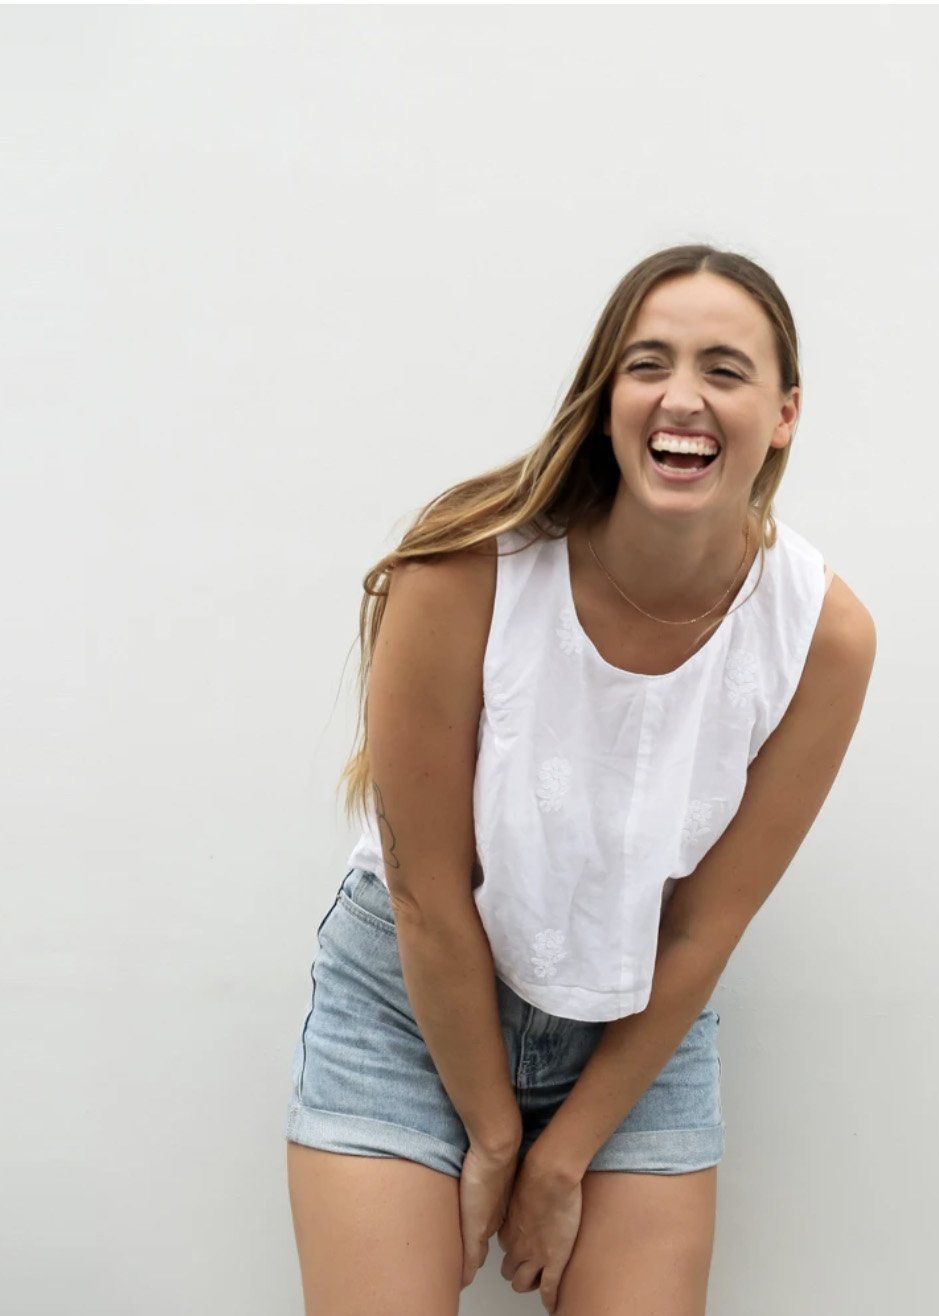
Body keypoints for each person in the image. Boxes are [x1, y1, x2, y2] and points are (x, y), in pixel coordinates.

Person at [286, 245, 875, 1315]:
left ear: (784, 414)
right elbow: (427, 893)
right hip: (409, 1004)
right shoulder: (464, 565)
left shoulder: (820, 636)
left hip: (633, 1021)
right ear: (607, 398)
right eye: (646, 362)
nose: (681, 396)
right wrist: (499, 1134)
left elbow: (701, 929)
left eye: (724, 369)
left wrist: (563, 1160)